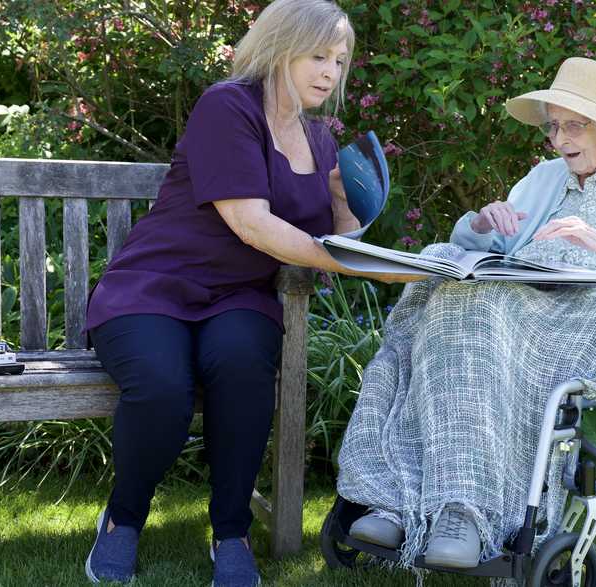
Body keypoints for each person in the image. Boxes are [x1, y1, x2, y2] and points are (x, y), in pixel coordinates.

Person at [336, 57, 596, 571]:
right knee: (443, 283)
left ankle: (469, 511)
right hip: (516, 300)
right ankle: (401, 501)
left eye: (573, 125)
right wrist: (482, 224)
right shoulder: (544, 178)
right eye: (553, 126)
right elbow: (497, 249)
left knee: (474, 314)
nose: (559, 140)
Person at [82, 2, 415, 585]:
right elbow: (253, 225)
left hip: (239, 297)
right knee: (162, 386)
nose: (330, 73)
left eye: (339, 60)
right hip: (152, 287)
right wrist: (364, 266)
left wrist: (340, 202)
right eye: (318, 56)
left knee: (241, 367)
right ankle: (123, 520)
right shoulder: (227, 106)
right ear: (278, 46)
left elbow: (331, 249)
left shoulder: (320, 141)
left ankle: (231, 530)